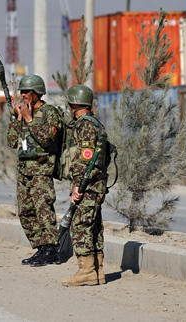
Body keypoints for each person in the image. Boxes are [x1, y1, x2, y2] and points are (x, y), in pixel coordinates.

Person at [6, 75, 62, 267]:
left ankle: (51, 249)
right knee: (25, 211)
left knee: (43, 209)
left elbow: (47, 138)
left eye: (27, 92)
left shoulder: (49, 113)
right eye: (22, 92)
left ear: (37, 93)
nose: (23, 95)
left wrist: (29, 120)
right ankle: (41, 248)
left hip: (41, 169)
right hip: (24, 169)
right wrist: (18, 118)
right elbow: (11, 141)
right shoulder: (22, 112)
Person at [61, 84, 109, 286]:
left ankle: (87, 271)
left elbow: (84, 158)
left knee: (80, 225)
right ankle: (98, 270)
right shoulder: (96, 123)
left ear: (74, 105)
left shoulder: (85, 125)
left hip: (88, 184)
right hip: (96, 184)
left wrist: (77, 186)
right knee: (94, 226)